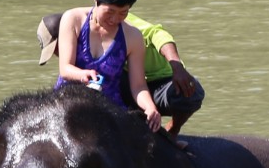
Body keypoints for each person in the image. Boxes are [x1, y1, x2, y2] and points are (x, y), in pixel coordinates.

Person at [37, 10, 206, 137]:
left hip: (158, 79)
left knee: (190, 93)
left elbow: (158, 34)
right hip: (124, 79)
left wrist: (177, 67)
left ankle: (172, 131)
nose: (57, 55)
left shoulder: (124, 26)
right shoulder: (82, 34)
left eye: (56, 49)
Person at [48, 0, 163, 134]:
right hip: (67, 99)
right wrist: (83, 76)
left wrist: (150, 107)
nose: (115, 19)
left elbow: (138, 86)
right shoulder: (73, 19)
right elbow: (65, 68)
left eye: (123, 13)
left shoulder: (133, 37)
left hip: (109, 108)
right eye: (109, 12)